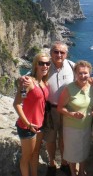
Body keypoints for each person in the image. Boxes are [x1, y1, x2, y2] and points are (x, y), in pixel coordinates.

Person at [21, 41, 74, 176]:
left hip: (66, 109)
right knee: (50, 139)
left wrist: (90, 81)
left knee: (63, 138)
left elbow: (83, 76)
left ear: (66, 54)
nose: (59, 54)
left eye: (62, 52)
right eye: (55, 51)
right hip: (49, 110)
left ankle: (64, 163)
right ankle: (51, 163)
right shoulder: (45, 66)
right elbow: (29, 77)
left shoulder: (72, 66)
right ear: (51, 53)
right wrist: (21, 80)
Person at [57, 60, 93, 176]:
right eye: (80, 73)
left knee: (84, 150)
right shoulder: (69, 89)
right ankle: (73, 172)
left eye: (85, 73)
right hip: (71, 128)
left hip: (86, 126)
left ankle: (81, 171)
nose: (83, 76)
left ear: (90, 73)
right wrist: (72, 114)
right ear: (75, 73)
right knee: (71, 153)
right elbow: (60, 108)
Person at [13, 52, 51, 176]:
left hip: (39, 125)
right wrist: (28, 124)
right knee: (26, 158)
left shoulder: (44, 82)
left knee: (35, 154)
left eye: (47, 63)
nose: (45, 66)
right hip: (27, 127)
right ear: (35, 65)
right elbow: (17, 104)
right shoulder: (28, 83)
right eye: (41, 63)